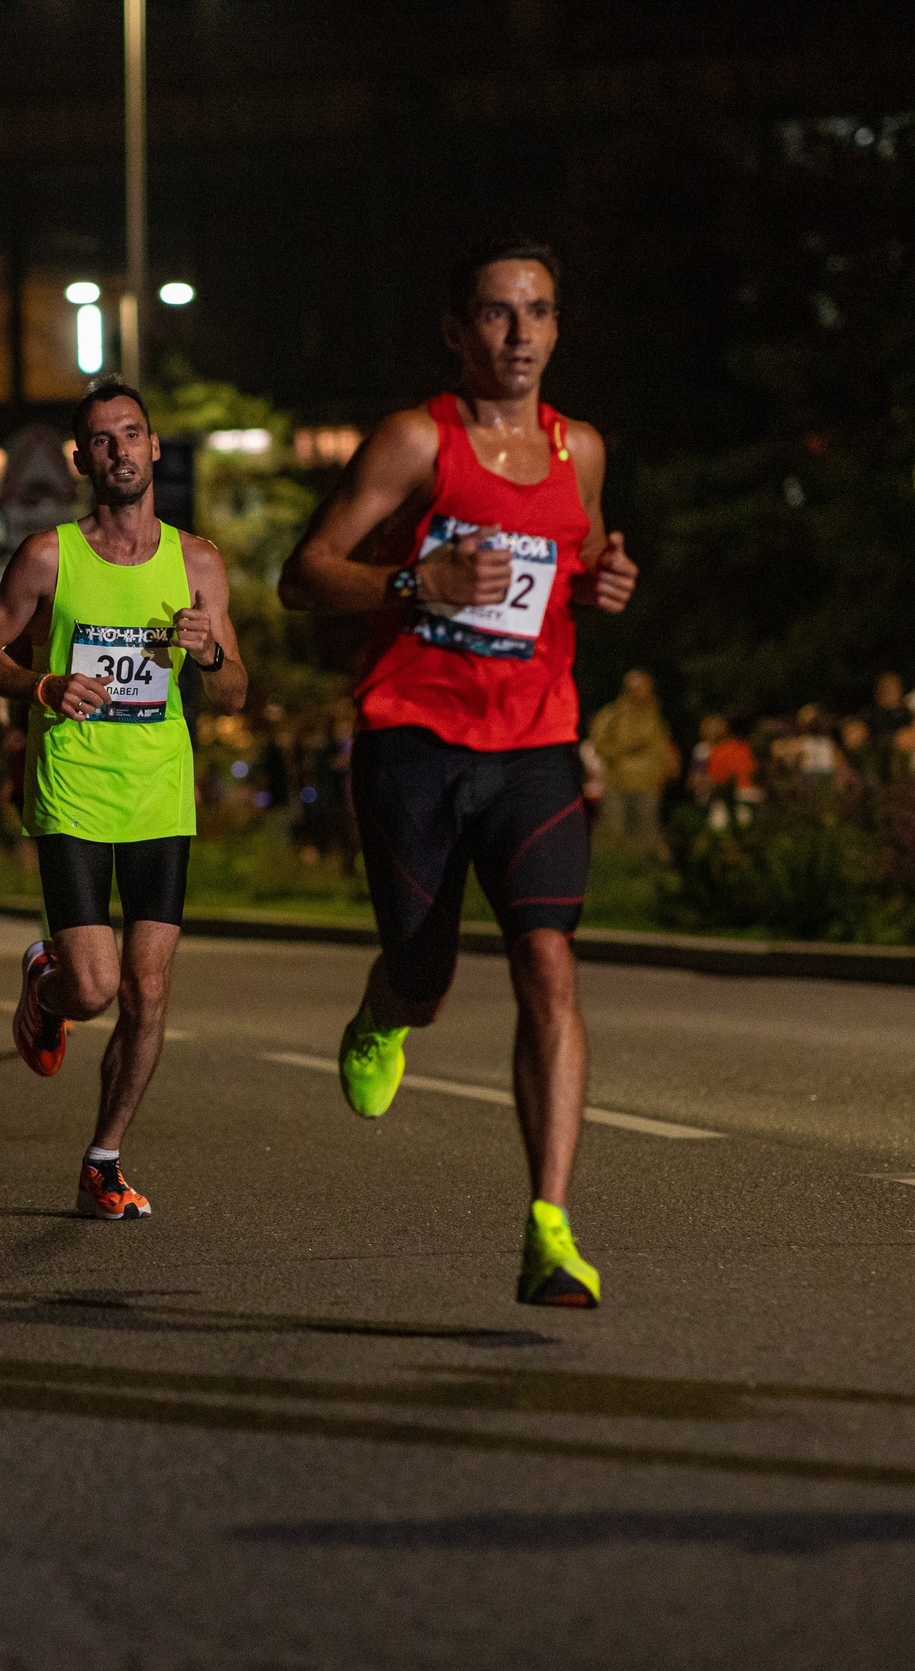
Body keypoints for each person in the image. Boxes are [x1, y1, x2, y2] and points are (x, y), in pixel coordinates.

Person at [277, 236, 640, 1307]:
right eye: (495, 312)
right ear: (456, 329)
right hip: (416, 741)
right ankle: (383, 1012)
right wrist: (414, 580)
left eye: (539, 311)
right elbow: (303, 575)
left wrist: (604, 581)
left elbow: (580, 562)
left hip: (534, 742)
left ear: (559, 327)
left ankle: (550, 1225)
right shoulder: (415, 441)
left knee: (549, 963)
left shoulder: (581, 450)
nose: (520, 333)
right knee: (424, 977)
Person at [0, 379, 249, 1221]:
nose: (119, 449)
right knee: (93, 990)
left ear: (155, 446)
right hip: (74, 787)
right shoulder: (49, 557)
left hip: (160, 792)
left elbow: (234, 691)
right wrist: (41, 684)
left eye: (131, 433)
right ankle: (46, 985)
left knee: (147, 992)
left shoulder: (198, 561)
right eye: (101, 438)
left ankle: (104, 1159)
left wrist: (209, 654)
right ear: (82, 460)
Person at [586, 669, 675, 852]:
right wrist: (623, 751)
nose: (643, 692)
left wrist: (665, 771)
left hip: (647, 785)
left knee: (646, 841)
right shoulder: (613, 714)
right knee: (615, 839)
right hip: (618, 784)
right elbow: (598, 743)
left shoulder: (654, 716)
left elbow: (662, 748)